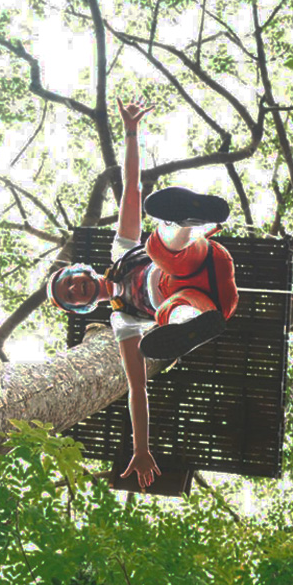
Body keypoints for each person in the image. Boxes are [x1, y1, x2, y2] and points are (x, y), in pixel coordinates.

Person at [46, 99, 239, 490]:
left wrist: (131, 131)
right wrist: (141, 448)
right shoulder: (123, 321)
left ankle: (188, 220)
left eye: (73, 280)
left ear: (81, 270)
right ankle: (192, 326)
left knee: (158, 250)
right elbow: (137, 388)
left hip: (199, 259)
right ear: (81, 306)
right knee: (168, 312)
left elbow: (132, 190)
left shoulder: (122, 251)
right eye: (73, 294)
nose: (78, 287)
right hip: (209, 304)